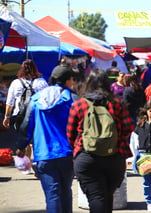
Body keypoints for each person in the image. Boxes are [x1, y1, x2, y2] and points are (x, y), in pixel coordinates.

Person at [66, 69, 134, 213]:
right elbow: (128, 128)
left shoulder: (79, 104)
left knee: (96, 197)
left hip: (86, 158)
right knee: (107, 196)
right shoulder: (117, 103)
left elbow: (70, 133)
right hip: (114, 157)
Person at [16, 64, 78, 213]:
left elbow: (26, 125)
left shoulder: (36, 99)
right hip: (67, 153)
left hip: (44, 155)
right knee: (65, 191)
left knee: (52, 195)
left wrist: (21, 146)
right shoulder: (72, 99)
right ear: (68, 80)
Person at [3, 59, 48, 174]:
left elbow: (10, 102)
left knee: (25, 140)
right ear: (35, 69)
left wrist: (7, 117)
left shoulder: (16, 83)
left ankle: (26, 165)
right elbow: (46, 100)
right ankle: (36, 162)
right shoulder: (41, 82)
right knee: (36, 140)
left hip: (20, 116)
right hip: (37, 115)